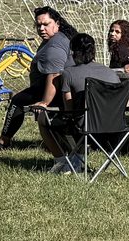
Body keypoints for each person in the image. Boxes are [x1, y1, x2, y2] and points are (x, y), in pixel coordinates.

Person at [37, 31, 122, 174]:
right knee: (84, 119)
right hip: (116, 127)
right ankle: (76, 159)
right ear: (94, 51)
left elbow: (68, 108)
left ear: (73, 52)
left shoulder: (69, 73)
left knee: (44, 118)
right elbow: (125, 104)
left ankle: (61, 161)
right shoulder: (111, 73)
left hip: (86, 127)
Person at [0, 6, 69, 148]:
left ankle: (3, 141)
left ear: (57, 24)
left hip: (56, 91)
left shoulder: (55, 46)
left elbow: (55, 75)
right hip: (48, 87)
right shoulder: (53, 39)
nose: (41, 28)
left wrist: (44, 102)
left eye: (46, 24)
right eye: (38, 25)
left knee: (17, 100)